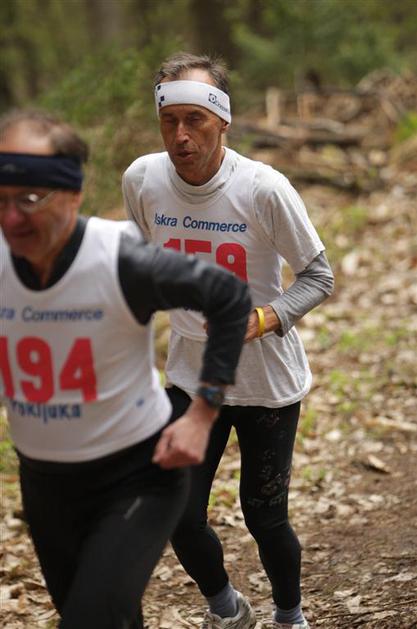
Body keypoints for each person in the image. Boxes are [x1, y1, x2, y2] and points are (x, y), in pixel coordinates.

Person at [0, 109, 252, 629]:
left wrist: (202, 413)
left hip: (136, 477)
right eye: (0, 200)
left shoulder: (120, 260)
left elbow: (227, 296)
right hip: (44, 482)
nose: (11, 219)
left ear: (72, 194)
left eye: (29, 199)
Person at [122, 52, 334, 629]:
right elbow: (142, 260)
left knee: (264, 517)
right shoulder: (142, 179)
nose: (181, 136)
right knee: (177, 512)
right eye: (169, 121)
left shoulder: (264, 189)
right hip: (191, 376)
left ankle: (290, 617)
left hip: (265, 379)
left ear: (223, 120)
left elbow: (319, 277)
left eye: (195, 119)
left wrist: (261, 318)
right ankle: (227, 609)